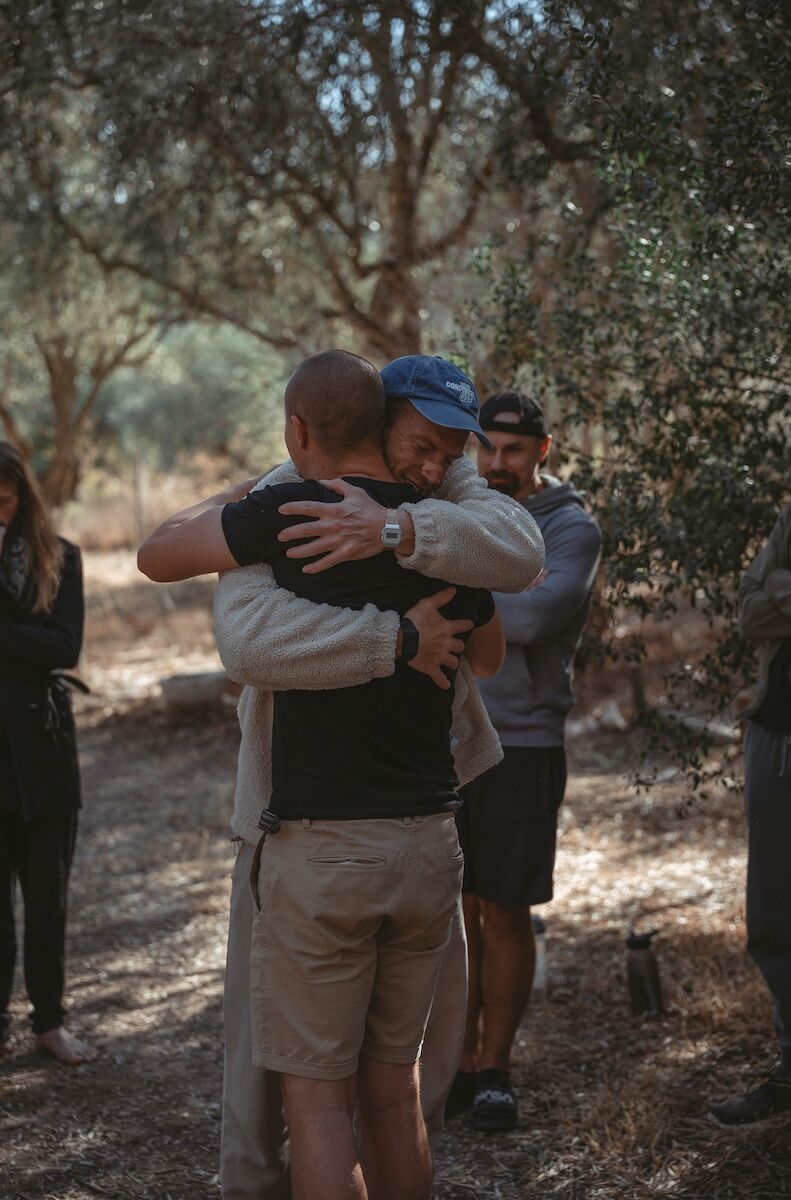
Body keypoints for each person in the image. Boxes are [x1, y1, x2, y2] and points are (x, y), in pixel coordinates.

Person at [140, 353, 544, 1198]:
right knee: (393, 1090)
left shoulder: (292, 514)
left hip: (323, 846)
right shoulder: (448, 537)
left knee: (316, 1101)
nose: (435, 466)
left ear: (300, 430)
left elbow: (169, 567)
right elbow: (495, 650)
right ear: (380, 418)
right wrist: (402, 632)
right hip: (429, 841)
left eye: (451, 452)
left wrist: (384, 528)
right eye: (423, 443)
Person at [446, 392, 601, 1131]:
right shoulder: (465, 509)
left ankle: (496, 1068)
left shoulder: (572, 528)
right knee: (457, 912)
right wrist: (501, 584)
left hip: (524, 740)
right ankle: (459, 1061)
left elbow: (538, 617)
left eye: (513, 451)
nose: (496, 464)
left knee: (504, 911)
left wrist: (447, 588)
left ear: (544, 450)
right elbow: (514, 604)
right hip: (446, 740)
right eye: (486, 449)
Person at [0, 441, 96, 1066]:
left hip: (46, 746)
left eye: (3, 501)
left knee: (48, 897)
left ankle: (50, 1022)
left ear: (22, 498)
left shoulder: (60, 558)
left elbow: (64, 646)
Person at [709, 494, 791, 1126]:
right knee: (774, 915)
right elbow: (747, 610)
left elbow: (767, 596)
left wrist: (781, 589)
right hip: (774, 731)